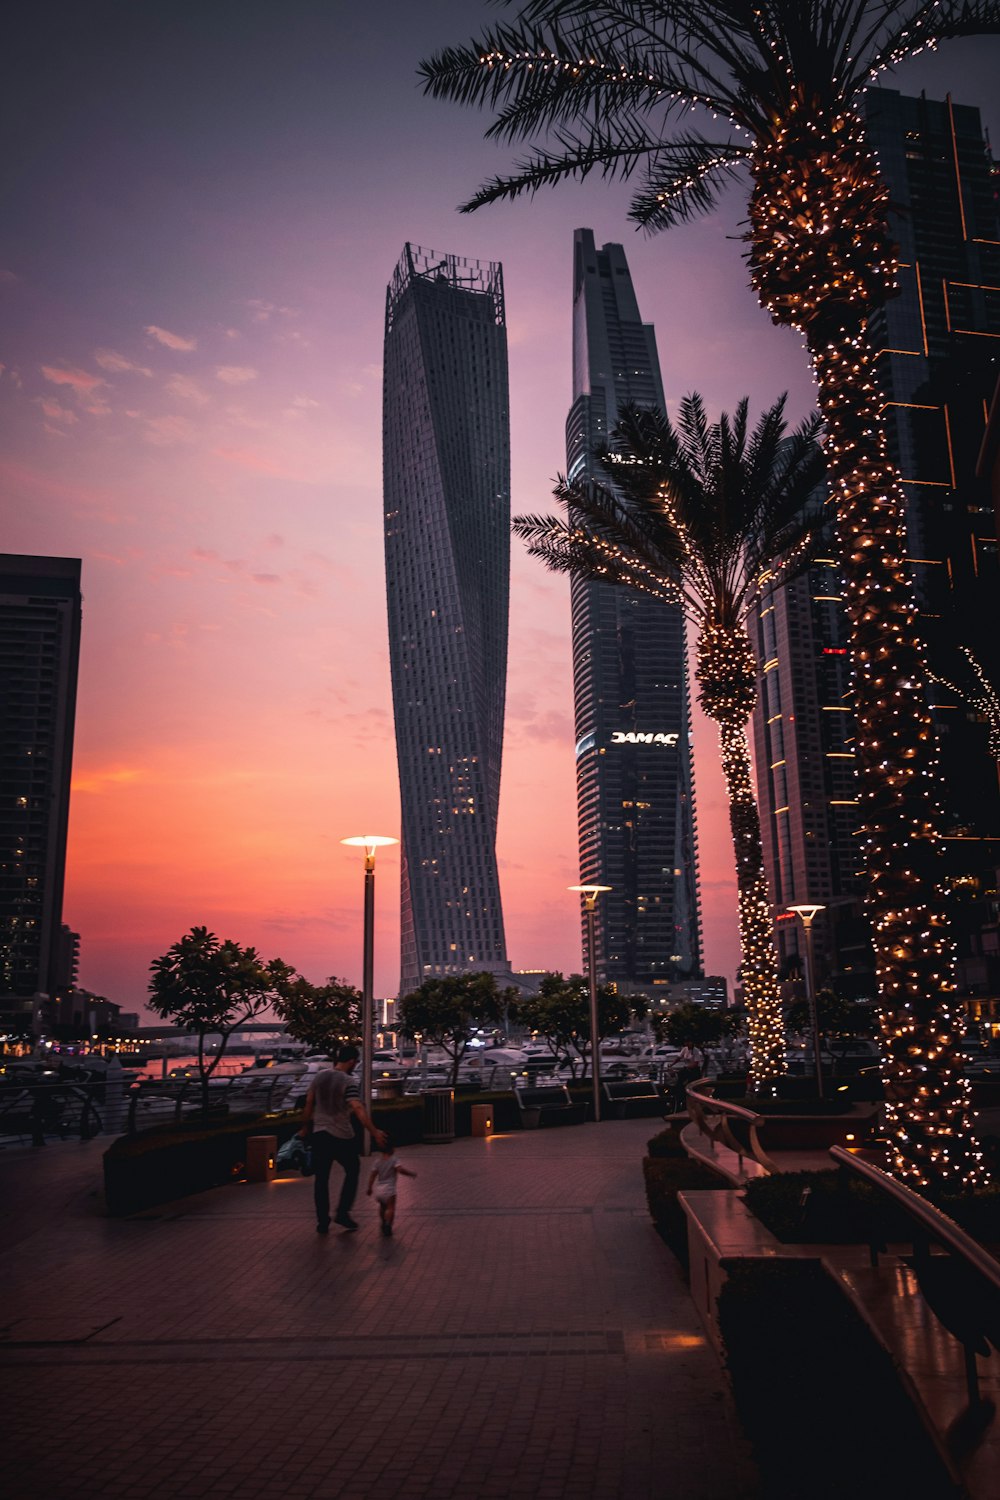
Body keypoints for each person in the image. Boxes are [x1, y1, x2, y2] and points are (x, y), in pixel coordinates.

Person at [299, 1045, 387, 1234]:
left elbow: (308, 1104)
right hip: (340, 1134)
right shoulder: (348, 1081)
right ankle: (343, 1212)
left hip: (319, 1133)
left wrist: (305, 1127)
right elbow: (357, 1107)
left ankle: (322, 1221)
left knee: (321, 1179)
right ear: (352, 1061)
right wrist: (374, 1131)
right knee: (352, 1170)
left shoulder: (319, 1077)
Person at [366, 1135, 416, 1237]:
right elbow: (400, 1170)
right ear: (392, 1149)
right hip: (389, 1189)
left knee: (382, 1207)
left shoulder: (377, 1161)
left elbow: (372, 1176)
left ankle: (383, 1222)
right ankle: (388, 1224)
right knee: (390, 1208)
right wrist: (411, 1174)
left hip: (379, 1189)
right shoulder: (394, 1160)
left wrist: (369, 1188)